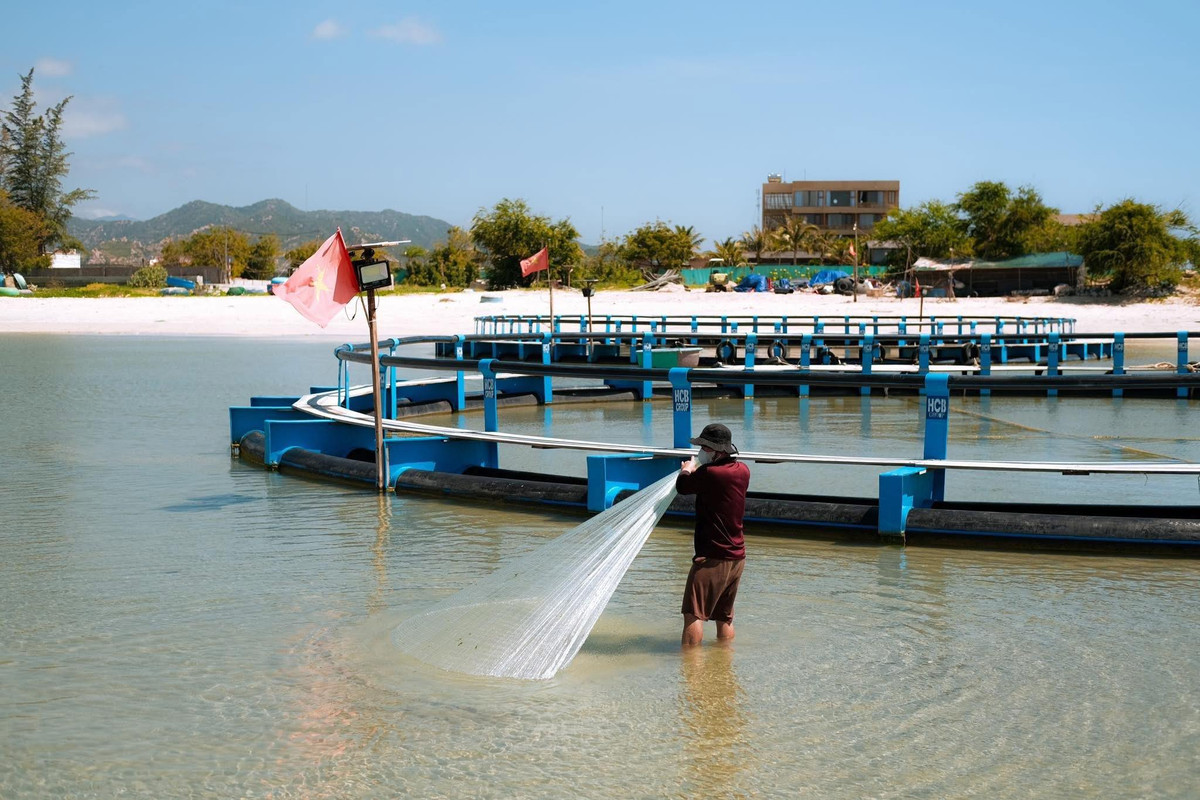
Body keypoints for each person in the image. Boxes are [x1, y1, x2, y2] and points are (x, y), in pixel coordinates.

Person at [676, 422, 750, 646]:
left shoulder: (710, 474)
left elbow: (683, 486)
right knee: (724, 617)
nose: (701, 452)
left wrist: (687, 469)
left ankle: (690, 672)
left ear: (717, 452)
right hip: (737, 558)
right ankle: (723, 666)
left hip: (712, 557)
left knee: (693, 614)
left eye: (705, 448)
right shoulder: (743, 471)